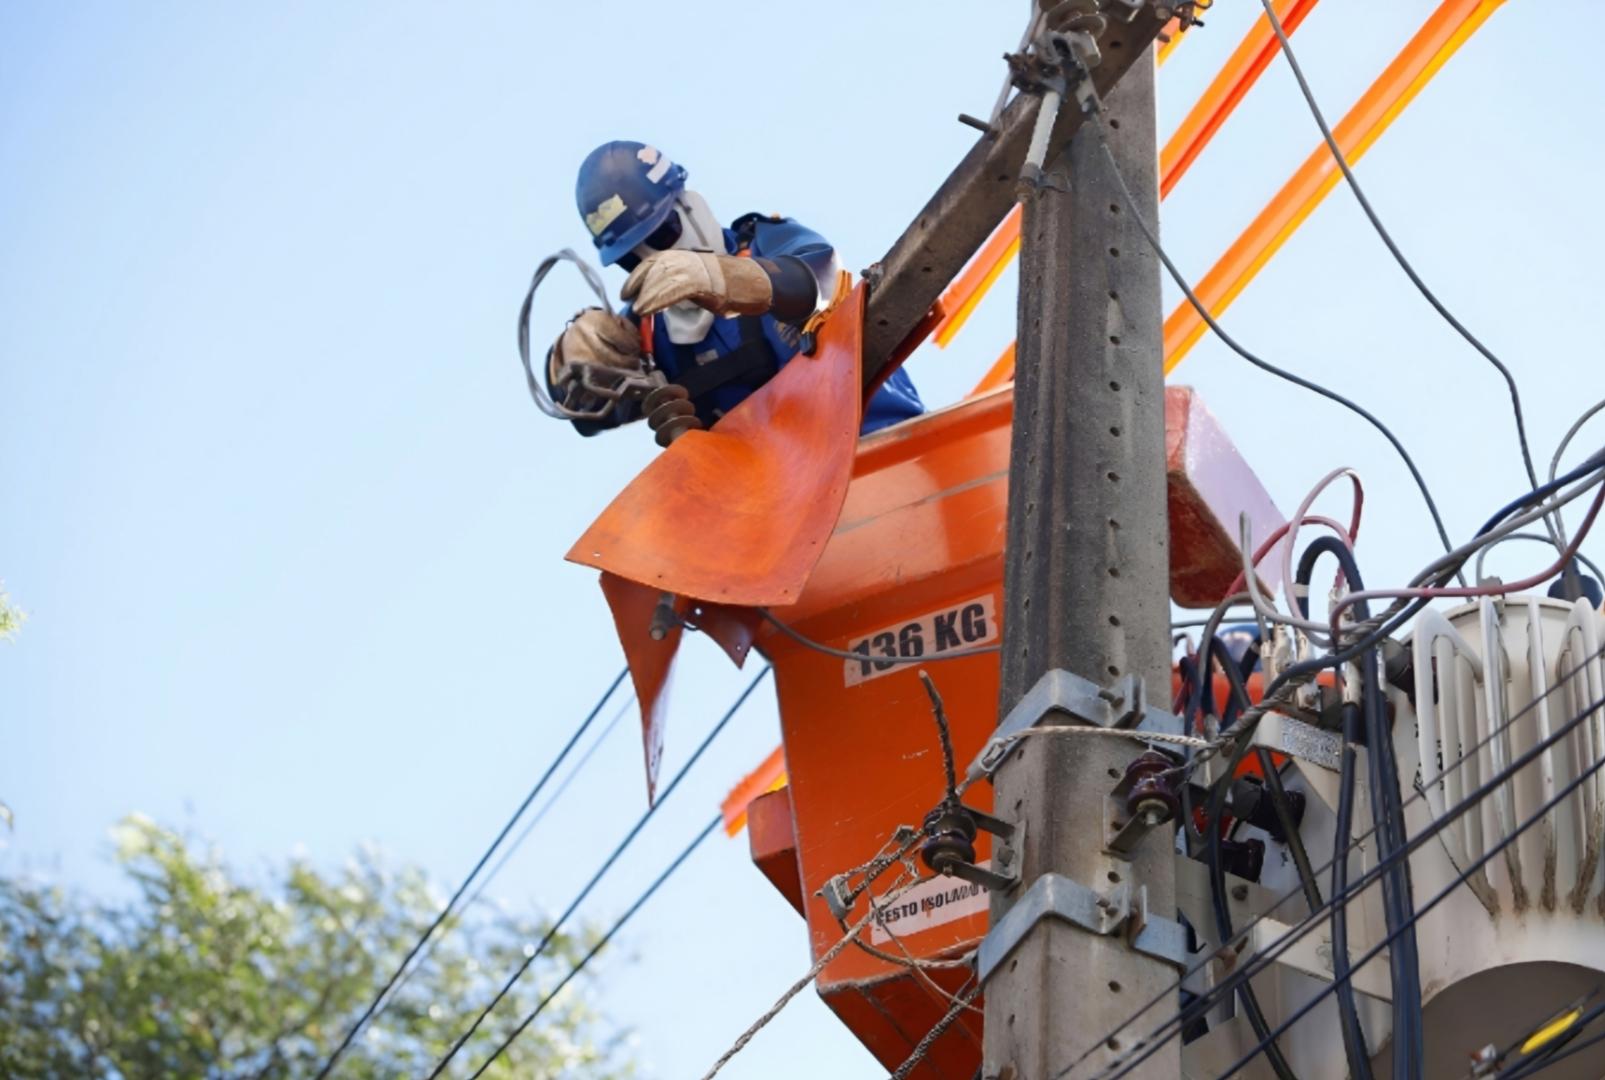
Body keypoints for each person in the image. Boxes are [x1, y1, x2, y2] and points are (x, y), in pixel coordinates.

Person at [545, 141, 924, 439]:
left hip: (881, 449)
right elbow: (585, 414)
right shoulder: (649, 339)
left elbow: (824, 275)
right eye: (633, 258)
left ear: (689, 205)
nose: (655, 258)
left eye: (663, 234)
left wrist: (730, 279)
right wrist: (575, 364)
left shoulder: (766, 245)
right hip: (789, 515)